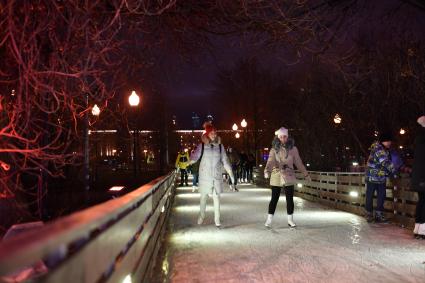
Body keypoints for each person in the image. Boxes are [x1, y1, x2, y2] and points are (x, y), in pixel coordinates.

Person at [190, 122, 236, 228]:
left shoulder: (220, 147)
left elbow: (225, 161)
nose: (214, 135)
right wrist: (188, 162)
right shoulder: (201, 146)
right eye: (212, 133)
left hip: (216, 176)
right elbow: (195, 157)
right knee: (203, 198)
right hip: (205, 176)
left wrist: (230, 173)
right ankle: (201, 216)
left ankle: (217, 219)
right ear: (207, 134)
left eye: (215, 133)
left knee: (216, 198)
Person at [264, 127, 310, 228]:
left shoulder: (293, 149)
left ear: (287, 137)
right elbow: (270, 161)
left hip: (289, 175)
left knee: (290, 199)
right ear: (278, 137)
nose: (283, 139)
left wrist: (305, 174)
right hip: (277, 175)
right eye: (281, 137)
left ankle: (290, 220)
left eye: (284, 137)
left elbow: (298, 162)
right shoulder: (274, 149)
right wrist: (267, 171)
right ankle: (269, 219)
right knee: (274, 198)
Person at [364, 130, 396, 223]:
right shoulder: (378, 149)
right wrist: (394, 171)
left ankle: (378, 214)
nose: (390, 143)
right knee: (370, 195)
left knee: (382, 196)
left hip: (381, 178)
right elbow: (385, 162)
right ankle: (369, 214)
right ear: (384, 141)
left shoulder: (385, 149)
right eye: (389, 141)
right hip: (372, 177)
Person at [412, 116, 425, 239]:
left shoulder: (418, 139)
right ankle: (422, 231)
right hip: (423, 177)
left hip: (418, 177)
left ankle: (417, 229)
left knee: (421, 202)